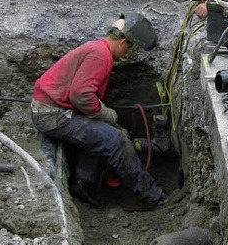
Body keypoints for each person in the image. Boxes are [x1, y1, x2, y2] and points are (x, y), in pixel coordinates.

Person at [30, 13, 166, 209]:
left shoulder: (97, 49)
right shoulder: (100, 55)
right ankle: (152, 195)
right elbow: (80, 95)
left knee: (99, 133)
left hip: (51, 108)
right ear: (122, 43)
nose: (127, 52)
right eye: (129, 47)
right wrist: (107, 115)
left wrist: (102, 117)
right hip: (52, 114)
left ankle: (84, 185)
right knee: (115, 140)